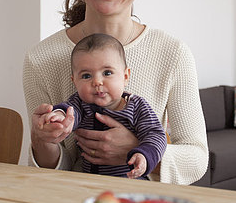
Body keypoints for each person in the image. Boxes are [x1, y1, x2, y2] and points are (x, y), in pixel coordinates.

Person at [23, 0, 208, 185]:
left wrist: (136, 151)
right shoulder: (40, 59)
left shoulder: (173, 53)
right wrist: (43, 141)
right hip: (74, 201)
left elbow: (197, 157)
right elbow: (51, 169)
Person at [37, 33, 167, 179]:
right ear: (75, 81)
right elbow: (68, 112)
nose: (97, 82)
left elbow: (156, 135)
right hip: (90, 183)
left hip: (131, 183)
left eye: (107, 73)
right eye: (86, 76)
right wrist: (58, 117)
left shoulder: (137, 106)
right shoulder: (80, 104)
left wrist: (144, 155)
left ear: (125, 76)